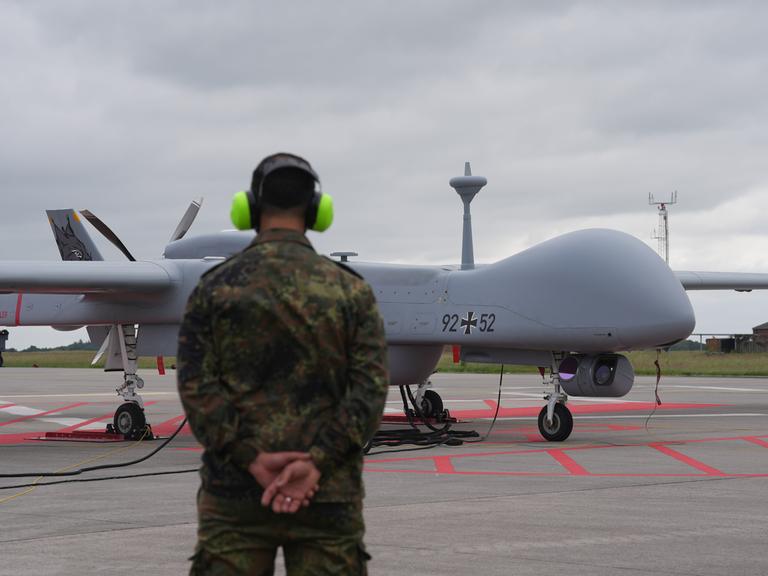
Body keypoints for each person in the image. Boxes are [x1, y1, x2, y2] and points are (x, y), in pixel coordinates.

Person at [177, 152, 389, 575]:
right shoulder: (351, 292)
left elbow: (197, 387)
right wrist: (316, 464)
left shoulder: (215, 289)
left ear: (250, 210)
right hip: (326, 495)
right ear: (315, 213)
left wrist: (250, 456)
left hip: (235, 491)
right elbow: (368, 391)